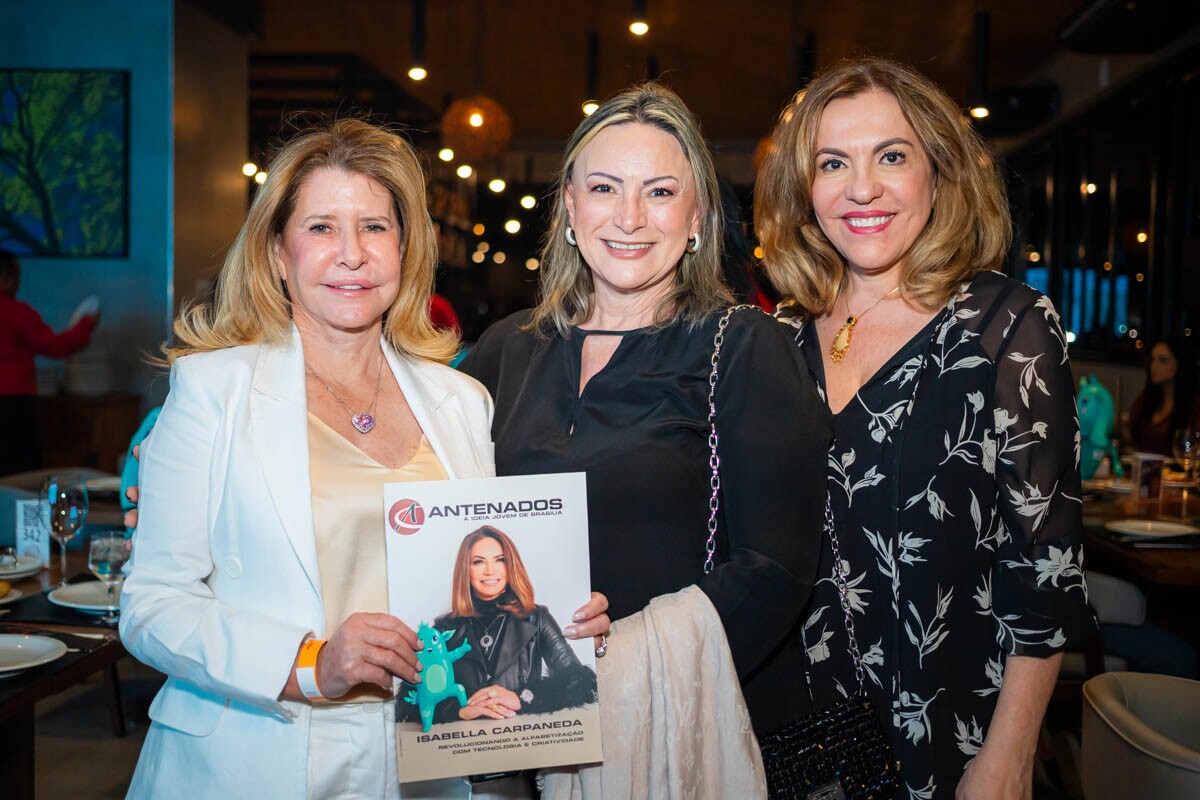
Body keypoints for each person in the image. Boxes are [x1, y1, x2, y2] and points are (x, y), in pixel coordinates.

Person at [118, 118, 606, 800]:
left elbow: (481, 580)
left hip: (422, 762)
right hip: (254, 760)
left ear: (404, 249)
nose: (352, 254)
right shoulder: (213, 390)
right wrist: (313, 664)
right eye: (321, 228)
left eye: (374, 227)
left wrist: (563, 614)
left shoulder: (460, 400)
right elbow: (151, 607)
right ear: (277, 252)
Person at [755, 57, 1095, 798]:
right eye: (833, 162)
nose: (863, 187)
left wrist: (1008, 756)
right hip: (788, 736)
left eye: (892, 156)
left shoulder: (1005, 327)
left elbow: (1046, 570)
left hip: (948, 734)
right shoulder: (777, 338)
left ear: (938, 176)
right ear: (805, 192)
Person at [459, 82, 832, 749]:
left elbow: (776, 570)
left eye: (660, 192)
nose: (629, 217)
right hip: (523, 729)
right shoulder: (506, 348)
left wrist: (625, 664)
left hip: (681, 734)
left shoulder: (745, 345)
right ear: (570, 207)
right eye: (604, 189)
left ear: (697, 219)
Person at [416, 526, 596, 724]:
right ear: (465, 570)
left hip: (525, 741)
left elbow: (581, 682)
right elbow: (414, 697)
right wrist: (458, 712)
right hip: (465, 745)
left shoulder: (537, 618)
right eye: (478, 562)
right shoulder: (443, 628)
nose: (490, 571)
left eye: (500, 560)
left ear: (511, 565)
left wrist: (522, 698)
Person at [0, 249, 99, 476]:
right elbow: (55, 347)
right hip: (13, 404)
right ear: (6, 280)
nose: (19, 285)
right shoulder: (17, 313)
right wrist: (85, 325)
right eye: (17, 278)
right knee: (18, 470)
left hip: (15, 401)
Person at [1126, 338, 1198, 455]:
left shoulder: (1193, 407)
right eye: (1152, 360)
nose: (1154, 366)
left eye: (1163, 360)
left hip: (1176, 470)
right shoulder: (1146, 400)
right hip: (1143, 468)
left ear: (1180, 363)